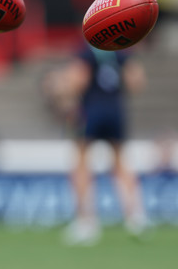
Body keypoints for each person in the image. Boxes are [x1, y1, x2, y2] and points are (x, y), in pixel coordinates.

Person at [61, 44, 148, 245]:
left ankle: (86, 222)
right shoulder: (121, 53)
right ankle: (135, 217)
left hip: (90, 111)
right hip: (116, 110)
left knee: (82, 163)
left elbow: (76, 82)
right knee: (120, 163)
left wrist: (64, 88)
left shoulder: (85, 53)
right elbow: (136, 82)